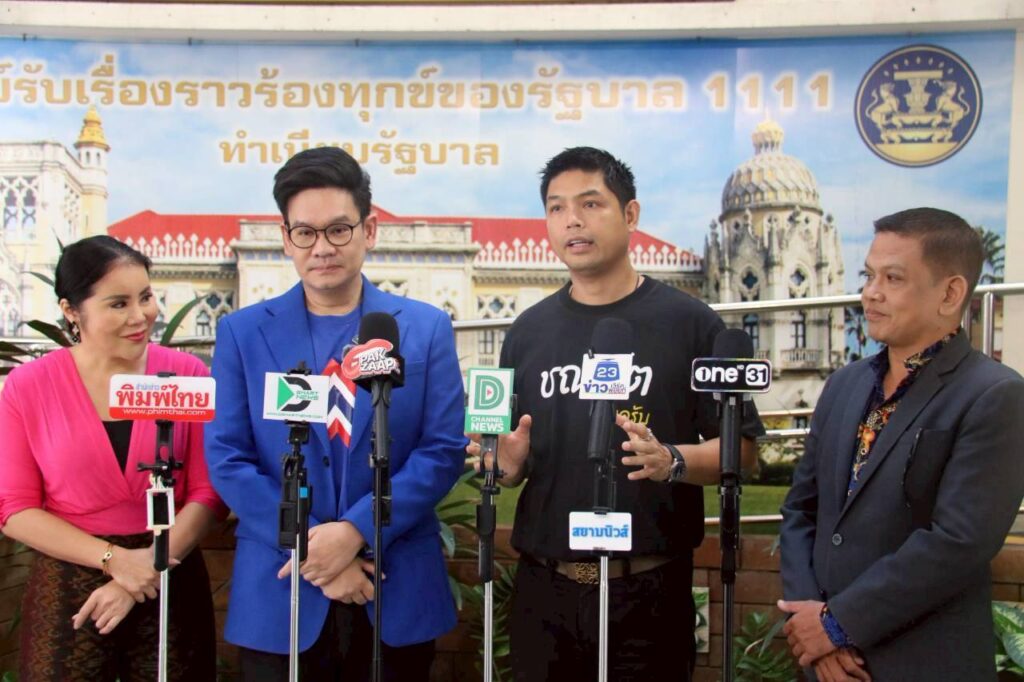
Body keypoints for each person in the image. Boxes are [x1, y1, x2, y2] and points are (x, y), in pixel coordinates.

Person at [467, 146, 764, 681]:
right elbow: (509, 463)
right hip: (545, 592)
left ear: (630, 214)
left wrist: (671, 460)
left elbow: (743, 452)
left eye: (590, 204)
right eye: (556, 208)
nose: (572, 221)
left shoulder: (691, 323)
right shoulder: (527, 332)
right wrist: (505, 466)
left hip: (649, 592)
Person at [204, 146, 466, 681]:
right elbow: (228, 457)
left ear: (369, 230)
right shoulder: (243, 333)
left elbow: (441, 450)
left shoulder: (423, 329)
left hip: (392, 586)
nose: (322, 247)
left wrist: (354, 532)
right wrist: (312, 548)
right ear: (286, 238)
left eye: (339, 230)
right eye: (305, 232)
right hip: (281, 591)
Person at [778, 207, 1024, 682]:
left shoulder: (994, 395)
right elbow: (801, 510)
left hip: (923, 661)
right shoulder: (844, 384)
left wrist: (837, 625)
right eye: (868, 275)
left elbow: (959, 542)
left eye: (893, 278)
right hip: (824, 663)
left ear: (950, 293)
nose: (871, 292)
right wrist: (812, 628)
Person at [0, 235, 226, 681]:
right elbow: (14, 508)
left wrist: (148, 566)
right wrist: (115, 561)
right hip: (70, 579)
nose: (140, 316)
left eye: (145, 297)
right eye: (118, 304)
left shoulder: (187, 374)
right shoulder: (28, 386)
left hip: (170, 573)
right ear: (71, 311)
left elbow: (208, 492)